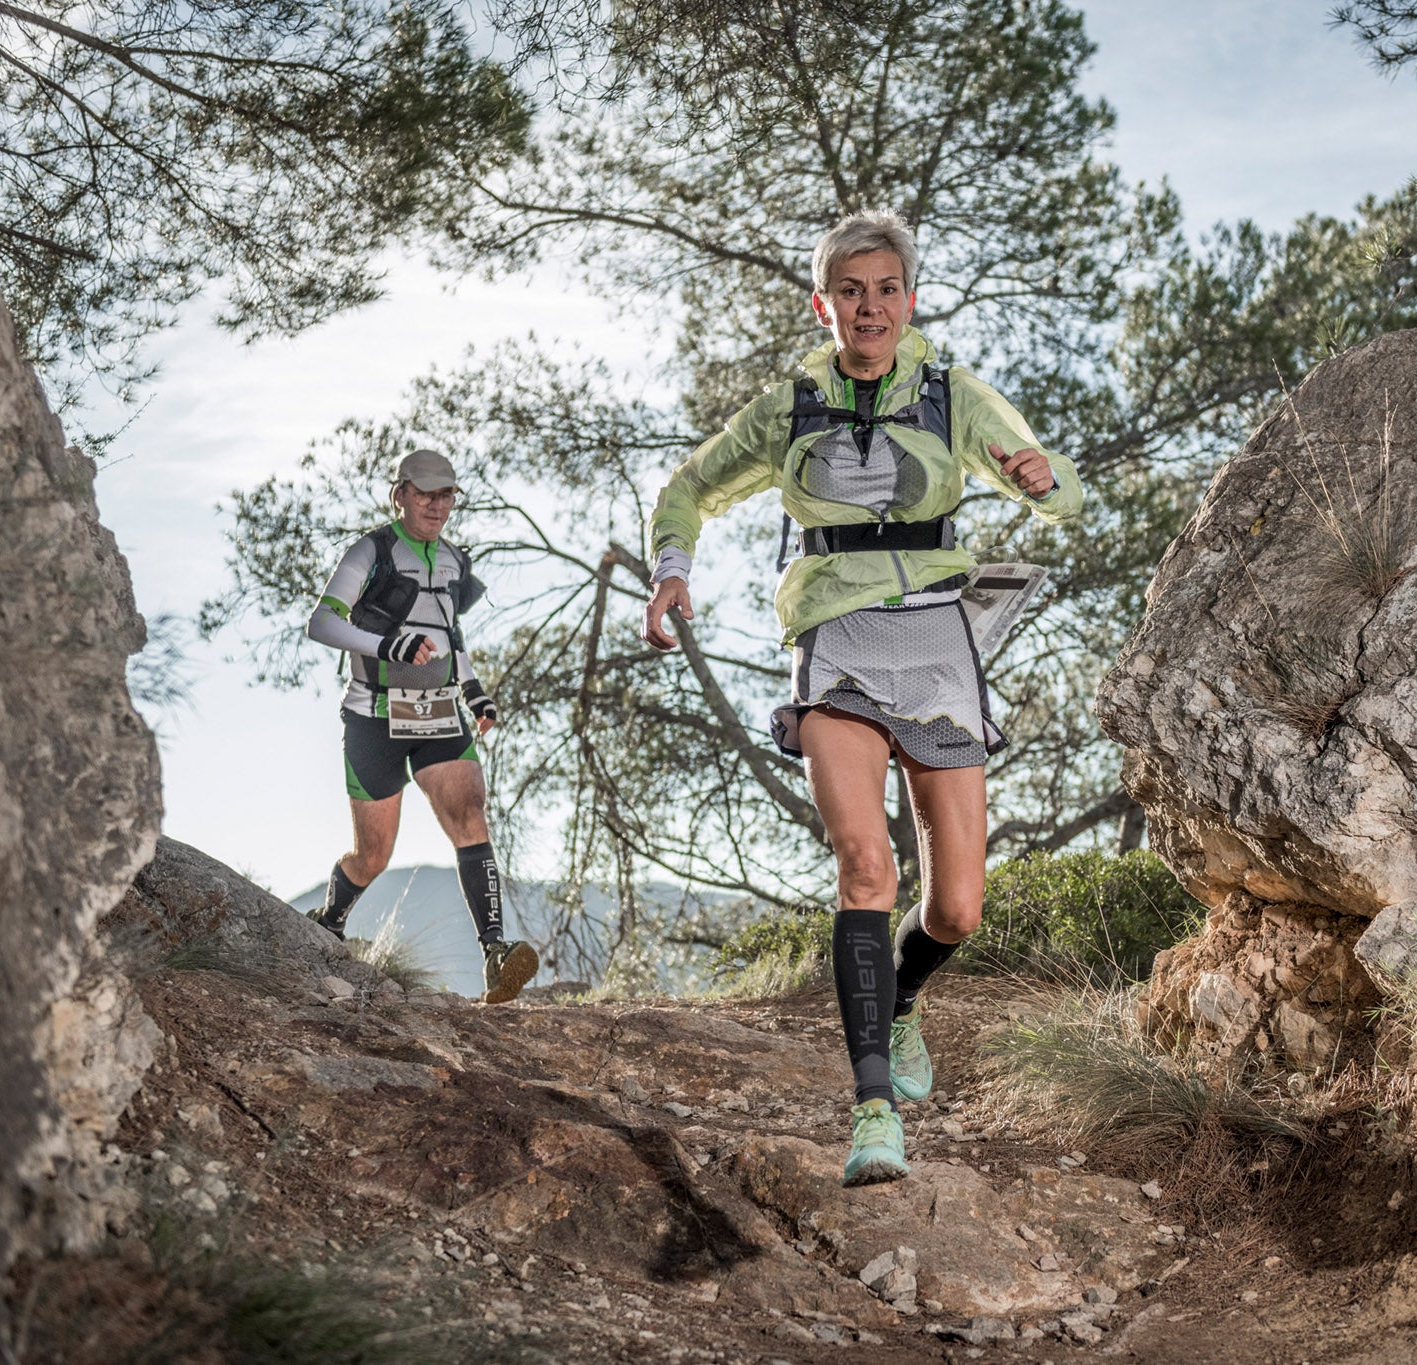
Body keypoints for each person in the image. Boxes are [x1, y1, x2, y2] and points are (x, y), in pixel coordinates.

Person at [643, 211, 1083, 1184]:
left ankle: (903, 1000)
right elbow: (688, 486)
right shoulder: (788, 405)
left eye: (885, 288)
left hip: (937, 641)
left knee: (957, 907)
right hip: (833, 638)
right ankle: (873, 1110)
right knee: (864, 872)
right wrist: (672, 570)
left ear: (908, 300)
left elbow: (1061, 494)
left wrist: (1038, 482)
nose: (869, 305)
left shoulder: (952, 394)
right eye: (851, 290)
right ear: (824, 304)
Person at [302, 448, 539, 1004]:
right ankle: (329, 920)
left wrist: (474, 691)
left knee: (470, 812)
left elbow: (450, 636)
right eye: (427, 493)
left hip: (437, 712)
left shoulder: (455, 561)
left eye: (447, 494)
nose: (437, 505)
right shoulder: (372, 550)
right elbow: (321, 623)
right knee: (373, 854)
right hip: (374, 714)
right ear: (401, 493)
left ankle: (495, 953)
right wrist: (390, 644)